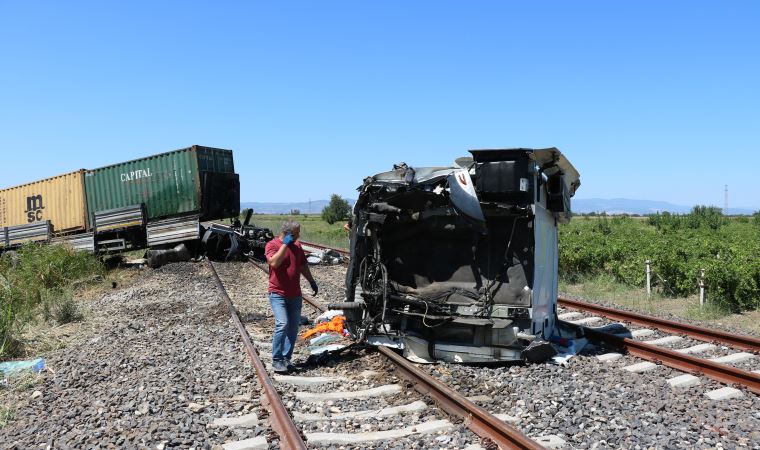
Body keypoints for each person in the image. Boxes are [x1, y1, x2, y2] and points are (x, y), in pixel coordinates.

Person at [265, 220, 318, 374]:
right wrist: (285, 245)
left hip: (295, 295)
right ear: (287, 234)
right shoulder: (272, 245)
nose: (298, 236)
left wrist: (312, 281)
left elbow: (302, 265)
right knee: (282, 324)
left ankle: (286, 358)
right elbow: (274, 263)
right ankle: (276, 359)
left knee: (293, 328)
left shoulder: (297, 246)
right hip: (277, 294)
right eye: (296, 233)